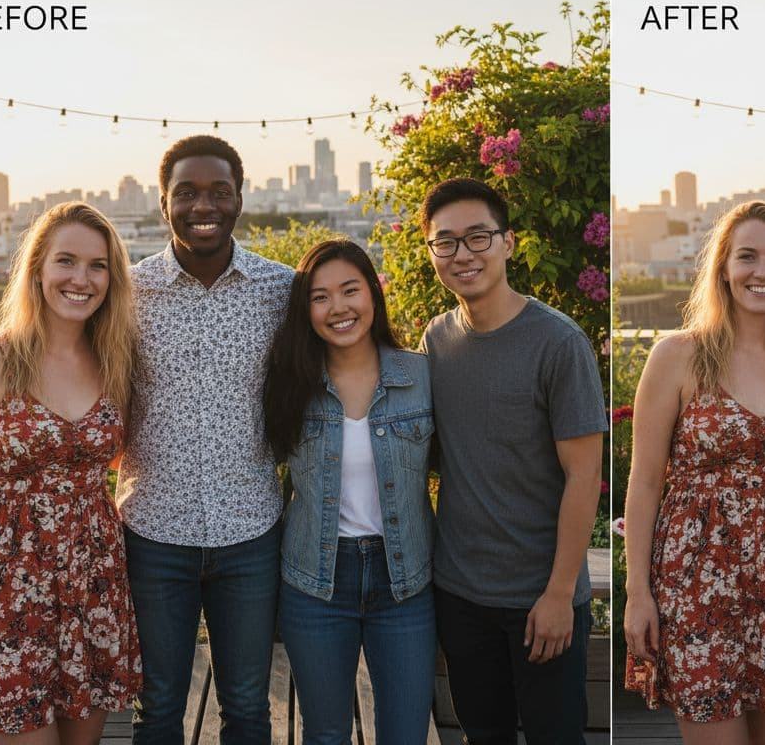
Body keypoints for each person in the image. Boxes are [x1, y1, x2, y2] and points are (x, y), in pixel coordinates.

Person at [622, 201, 765, 745]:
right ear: (723, 268)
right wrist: (637, 592)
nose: (762, 272)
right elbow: (645, 480)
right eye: (748, 257)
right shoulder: (678, 356)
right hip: (696, 582)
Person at [0, 202, 142, 741]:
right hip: (4, 588)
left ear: (112, 278)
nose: (82, 278)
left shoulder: (115, 363)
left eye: (98, 266)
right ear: (37, 270)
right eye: (66, 261)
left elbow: (119, 462)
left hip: (94, 585)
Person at [118, 135, 293, 744]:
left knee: (246, 705)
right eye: (186, 192)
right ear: (164, 202)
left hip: (250, 534)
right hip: (152, 535)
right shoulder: (126, 295)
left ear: (240, 199)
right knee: (159, 706)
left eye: (220, 191)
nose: (204, 205)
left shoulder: (282, 291)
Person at [419, 178, 605, 745]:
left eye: (479, 237)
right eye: (445, 243)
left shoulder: (558, 342)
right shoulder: (437, 338)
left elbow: (584, 477)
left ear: (509, 243)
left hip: (539, 599)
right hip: (460, 593)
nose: (463, 254)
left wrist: (558, 594)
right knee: (483, 735)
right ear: (432, 254)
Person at [263, 239, 435, 745]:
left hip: (404, 583)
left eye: (350, 290)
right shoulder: (290, 383)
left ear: (373, 296)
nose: (338, 308)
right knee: (326, 734)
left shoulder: (420, 376)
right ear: (306, 309)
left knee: (405, 734)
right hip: (316, 583)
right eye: (320, 297)